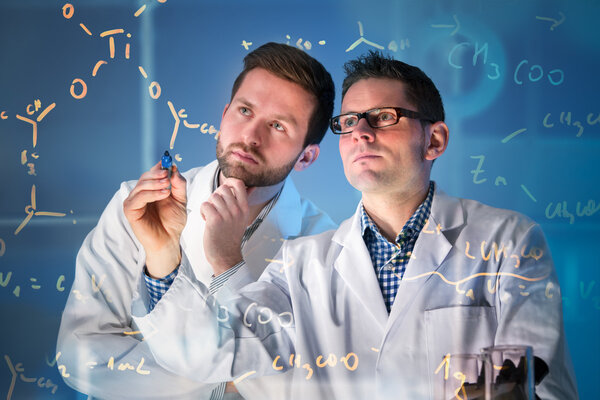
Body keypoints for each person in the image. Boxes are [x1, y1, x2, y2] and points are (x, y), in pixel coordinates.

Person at [132, 51, 578, 399]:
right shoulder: (301, 263)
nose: (361, 133)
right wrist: (163, 254)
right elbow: (217, 357)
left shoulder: (508, 241)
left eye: (384, 117)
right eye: (348, 122)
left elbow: (541, 389)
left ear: (434, 139)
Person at [56, 42, 336, 400]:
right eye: (244, 110)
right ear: (224, 113)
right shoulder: (139, 204)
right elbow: (78, 353)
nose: (250, 136)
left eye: (278, 126)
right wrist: (221, 388)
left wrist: (227, 261)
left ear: (307, 157)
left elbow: (308, 386)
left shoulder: (326, 246)